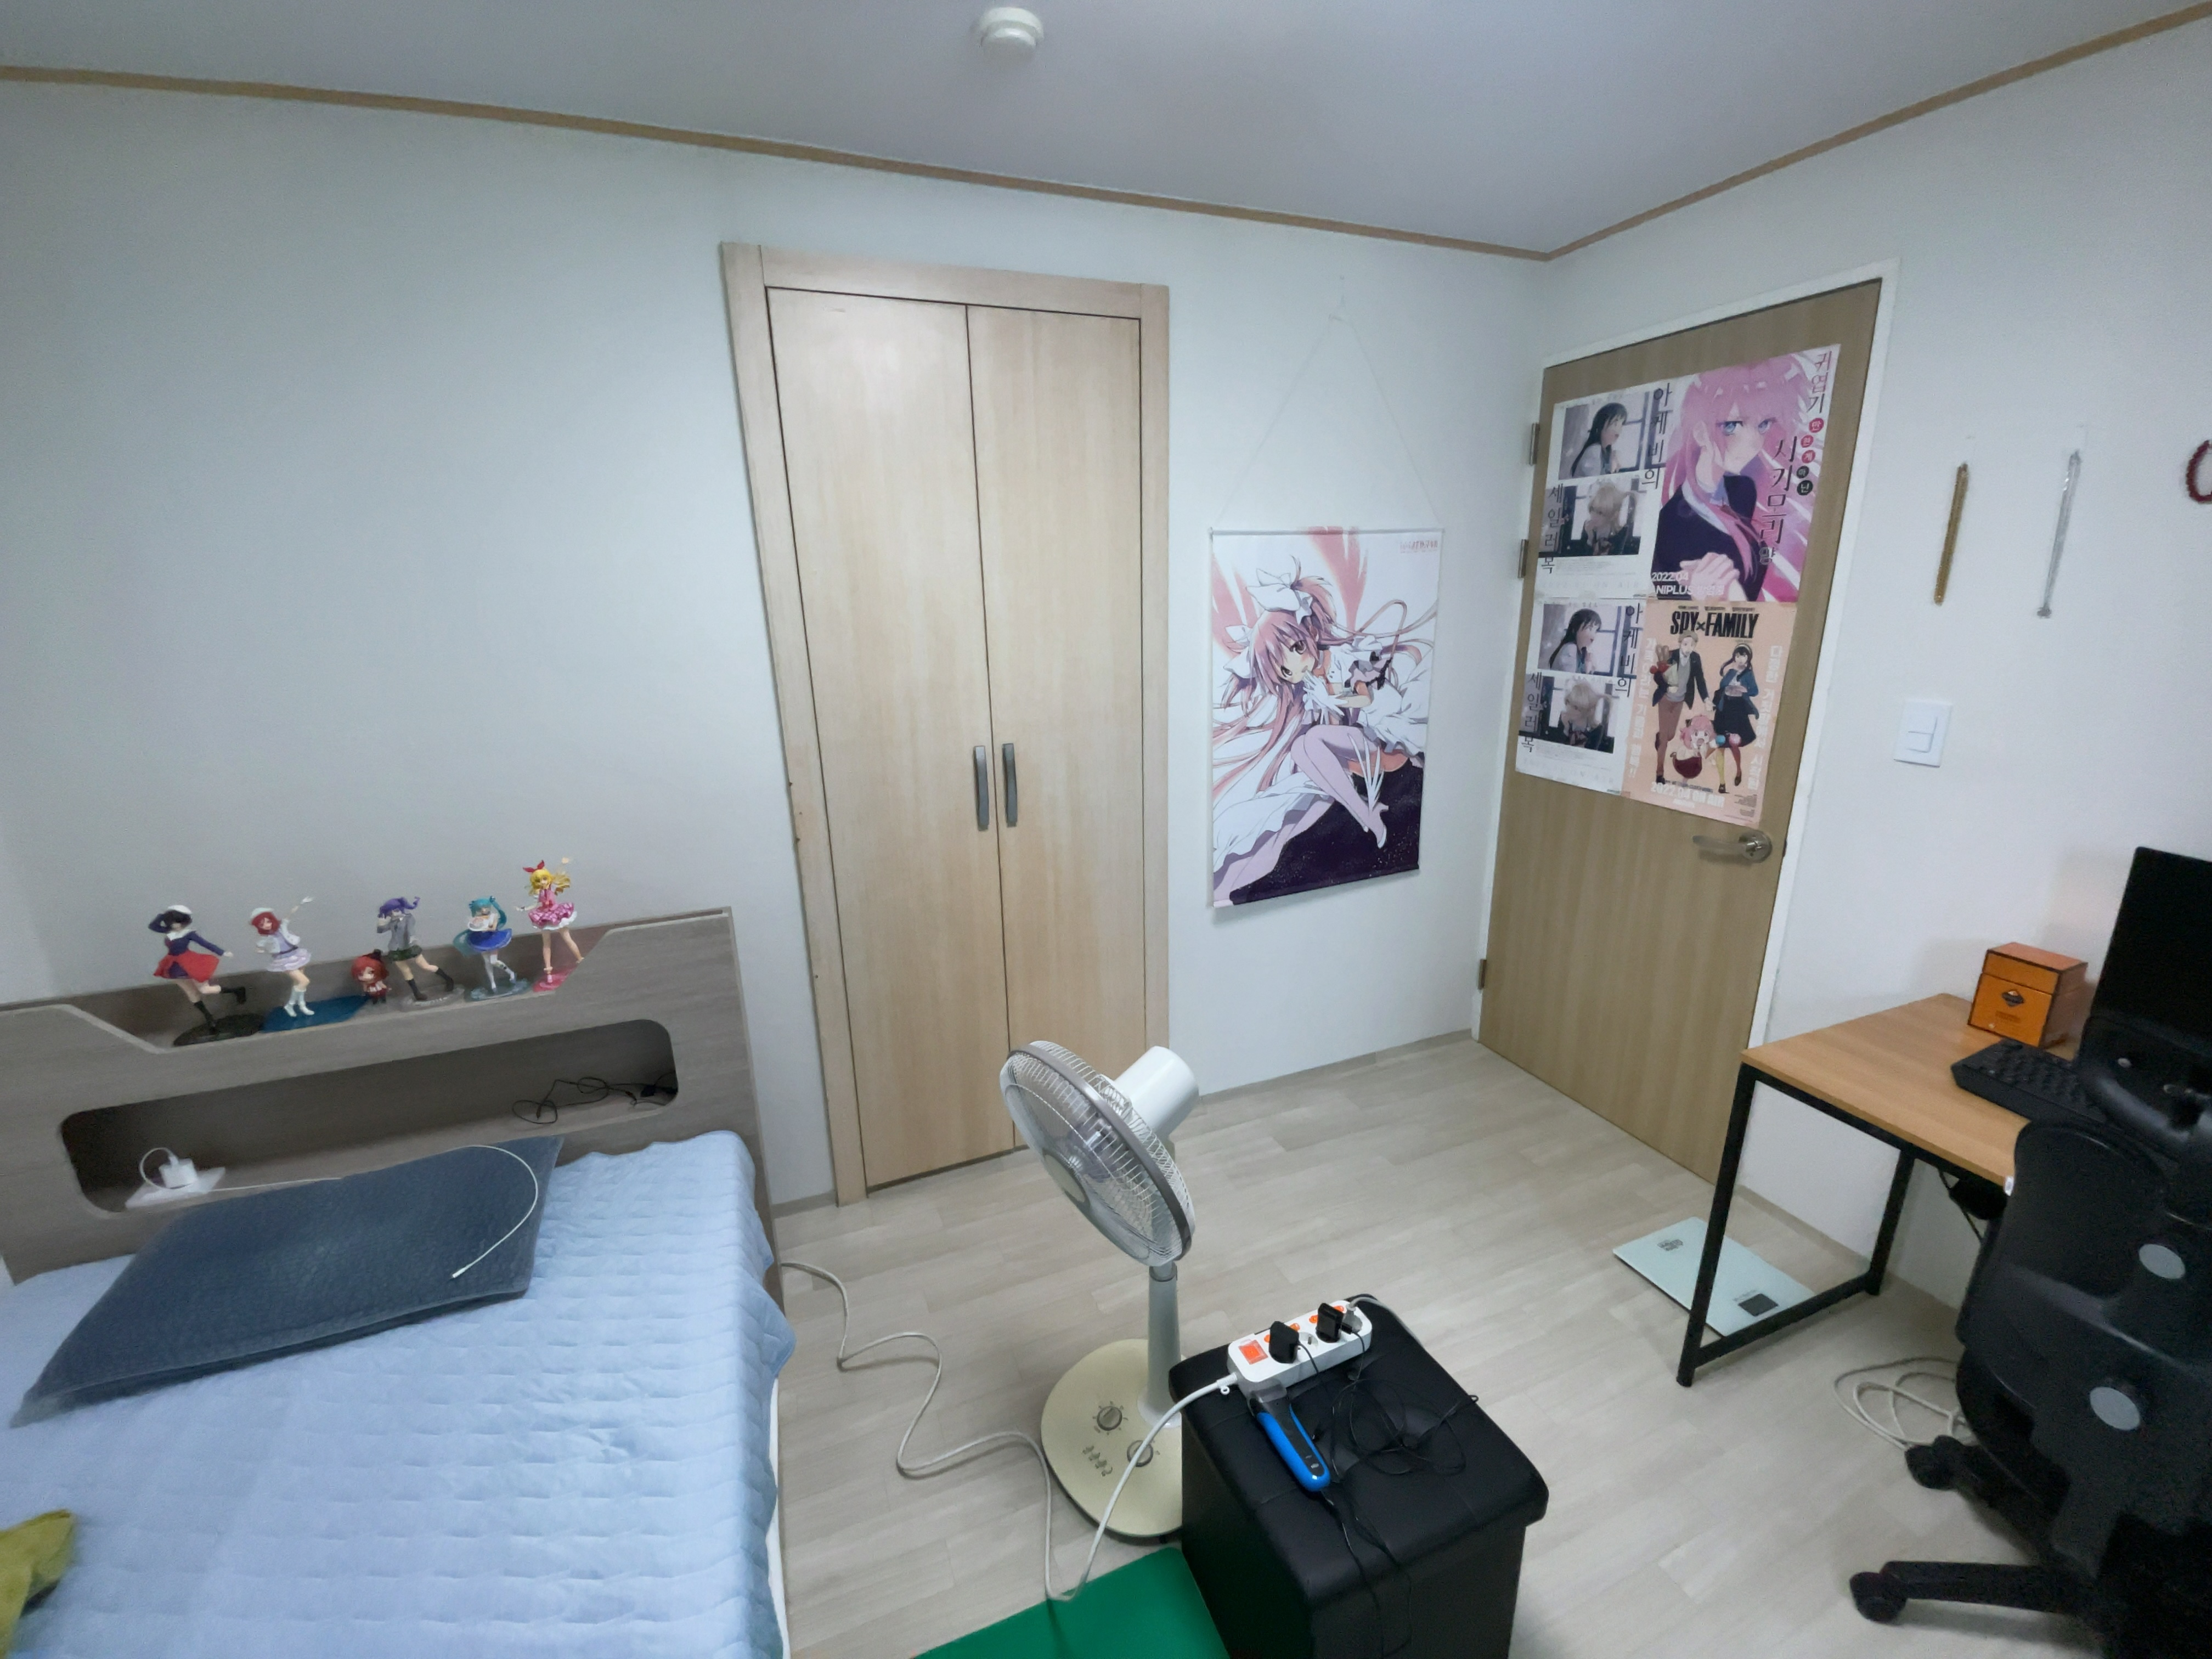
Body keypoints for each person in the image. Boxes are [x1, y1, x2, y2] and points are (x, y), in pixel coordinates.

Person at [1211, 543, 1432, 904]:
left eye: (1296, 649)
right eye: (1285, 671)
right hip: (1352, 755)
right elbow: (1322, 729)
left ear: (1309, 633)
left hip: (1379, 742)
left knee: (1308, 744)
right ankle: (1229, 887)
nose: (1294, 669)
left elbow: (1363, 698)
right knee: (1286, 817)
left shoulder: (1342, 658)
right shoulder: (1309, 685)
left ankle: (1366, 815)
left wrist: (1336, 695)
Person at [1649, 356, 1815, 602]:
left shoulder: (1743, 489)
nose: (1753, 442)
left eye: (1762, 425)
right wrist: (1696, 597)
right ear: (1700, 433)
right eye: (1731, 426)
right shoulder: (1669, 527)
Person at [1648, 640, 1708, 786]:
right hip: (1665, 699)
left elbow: (1700, 679)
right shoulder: (1671, 655)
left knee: (1670, 736)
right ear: (1681, 643)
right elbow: (1658, 676)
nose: (1689, 648)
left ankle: (1661, 737)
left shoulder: (1695, 659)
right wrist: (1667, 685)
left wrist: (1706, 699)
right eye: (1686, 644)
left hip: (1679, 701)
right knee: (1664, 739)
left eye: (1692, 645)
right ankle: (1660, 773)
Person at [1712, 645, 1760, 792]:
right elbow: (1722, 686)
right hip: (1724, 709)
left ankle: (1738, 770)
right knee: (1720, 744)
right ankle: (1722, 782)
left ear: (1748, 658)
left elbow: (1755, 691)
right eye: (1738, 656)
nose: (1740, 659)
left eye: (1743, 656)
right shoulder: (1730, 672)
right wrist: (1728, 685)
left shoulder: (1748, 674)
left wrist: (1743, 689)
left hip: (1737, 710)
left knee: (1734, 744)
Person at [1568, 402, 1629, 478]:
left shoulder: (1606, 452)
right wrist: (1612, 469)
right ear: (1601, 425)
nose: (1618, 430)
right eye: (1615, 424)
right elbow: (1596, 481)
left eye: (1622, 425)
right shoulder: (1594, 450)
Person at [1547, 608, 1601, 674]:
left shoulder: (1582, 652)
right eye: (1590, 629)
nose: (1593, 636)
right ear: (1575, 629)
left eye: (1596, 631)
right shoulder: (1571, 648)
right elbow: (1570, 678)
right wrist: (1587, 670)